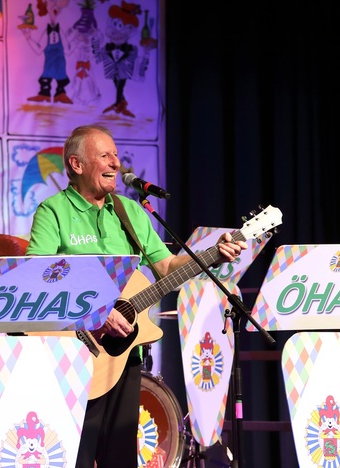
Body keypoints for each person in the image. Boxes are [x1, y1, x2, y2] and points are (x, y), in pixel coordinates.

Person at [26, 125, 247, 468]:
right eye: (105, 155)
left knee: (120, 460)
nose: (115, 163)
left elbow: (167, 267)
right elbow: (36, 277)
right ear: (77, 164)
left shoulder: (128, 211)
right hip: (73, 355)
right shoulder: (53, 211)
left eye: (116, 155)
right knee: (74, 458)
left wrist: (212, 254)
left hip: (124, 355)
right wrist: (95, 312)